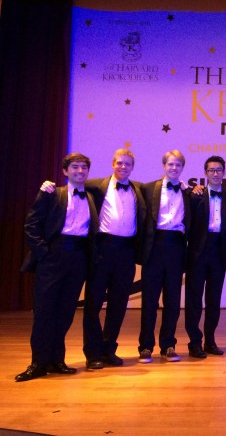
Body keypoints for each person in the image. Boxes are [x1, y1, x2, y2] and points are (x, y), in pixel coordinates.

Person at [42, 149, 147, 369]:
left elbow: (162, 189)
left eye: (128, 164)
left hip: (127, 252)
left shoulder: (139, 189)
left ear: (132, 167)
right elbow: (70, 188)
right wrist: (48, 187)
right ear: (113, 164)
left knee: (118, 305)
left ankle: (109, 350)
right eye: (119, 163)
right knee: (93, 304)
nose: (123, 167)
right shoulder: (95, 186)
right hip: (101, 251)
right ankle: (93, 353)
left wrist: (184, 186)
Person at [16, 154, 99, 381]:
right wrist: (44, 253)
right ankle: (38, 363)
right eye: (75, 167)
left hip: (78, 258)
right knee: (44, 311)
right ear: (65, 171)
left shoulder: (92, 197)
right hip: (53, 256)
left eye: (84, 167)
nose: (80, 171)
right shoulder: (52, 193)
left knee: (65, 311)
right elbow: (31, 224)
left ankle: (56, 360)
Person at [137, 150, 191, 363]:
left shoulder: (188, 192)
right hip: (155, 248)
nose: (174, 168)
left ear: (182, 167)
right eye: (171, 164)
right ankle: (145, 346)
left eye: (178, 165)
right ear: (164, 166)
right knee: (149, 301)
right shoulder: (149, 188)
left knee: (173, 301)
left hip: (176, 248)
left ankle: (168, 345)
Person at [185, 156, 226, 358]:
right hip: (197, 254)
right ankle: (194, 342)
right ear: (205, 173)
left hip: (218, 255)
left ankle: (210, 341)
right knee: (194, 301)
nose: (215, 173)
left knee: (214, 301)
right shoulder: (195, 196)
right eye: (212, 170)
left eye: (219, 170)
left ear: (224, 172)